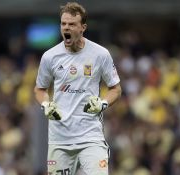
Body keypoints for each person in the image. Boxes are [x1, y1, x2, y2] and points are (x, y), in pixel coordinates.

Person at [34, 2, 122, 175]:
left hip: (90, 137)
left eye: (72, 24)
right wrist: (46, 105)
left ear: (83, 27)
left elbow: (116, 89)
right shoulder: (49, 56)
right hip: (59, 139)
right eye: (63, 24)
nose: (66, 28)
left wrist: (103, 104)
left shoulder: (100, 54)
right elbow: (40, 89)